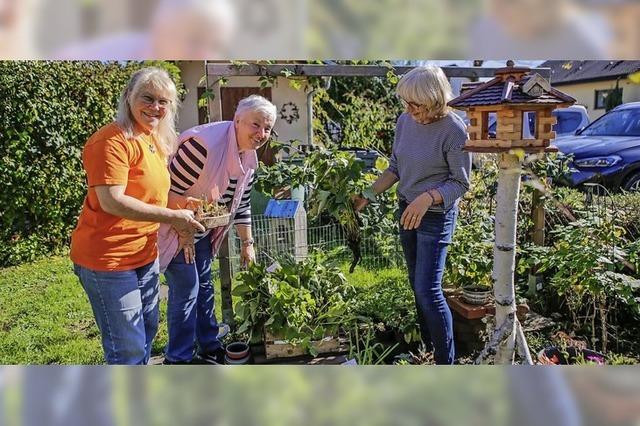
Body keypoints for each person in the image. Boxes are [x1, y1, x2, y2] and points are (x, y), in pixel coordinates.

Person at [70, 67, 204, 365]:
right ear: (128, 96)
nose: (155, 107)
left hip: (144, 253)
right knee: (127, 347)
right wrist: (174, 217)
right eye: (147, 98)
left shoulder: (153, 140)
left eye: (163, 101)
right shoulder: (111, 140)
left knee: (146, 330)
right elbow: (113, 201)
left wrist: (181, 203)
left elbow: (149, 193)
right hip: (108, 260)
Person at [354, 66, 472, 364]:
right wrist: (366, 196)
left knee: (428, 290)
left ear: (435, 100)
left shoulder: (454, 130)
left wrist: (427, 198)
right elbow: (395, 167)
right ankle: (428, 350)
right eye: (405, 103)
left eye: (416, 104)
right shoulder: (405, 121)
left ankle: (447, 362)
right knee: (416, 285)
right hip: (407, 210)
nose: (409, 109)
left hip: (434, 216)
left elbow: (461, 183)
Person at [159, 94, 277, 364]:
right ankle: (178, 359)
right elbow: (163, 192)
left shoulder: (247, 156)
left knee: (203, 287)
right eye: (255, 125)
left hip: (199, 230)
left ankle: (209, 346)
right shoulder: (202, 146)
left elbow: (242, 203)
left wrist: (248, 244)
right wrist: (183, 231)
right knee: (187, 289)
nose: (261, 133)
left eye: (267, 128)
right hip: (173, 228)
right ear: (237, 121)